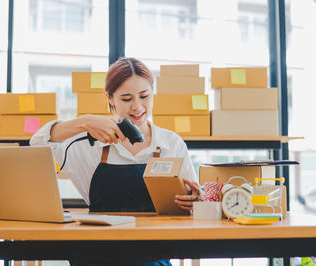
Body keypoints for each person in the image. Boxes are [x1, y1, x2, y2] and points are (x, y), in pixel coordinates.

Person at [30, 57, 202, 265]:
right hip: (96, 255)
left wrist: (195, 201)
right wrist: (86, 121)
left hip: (152, 255)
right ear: (110, 98)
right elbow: (38, 142)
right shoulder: (88, 144)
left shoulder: (171, 143)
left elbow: (194, 200)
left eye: (144, 96)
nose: (137, 107)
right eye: (126, 99)